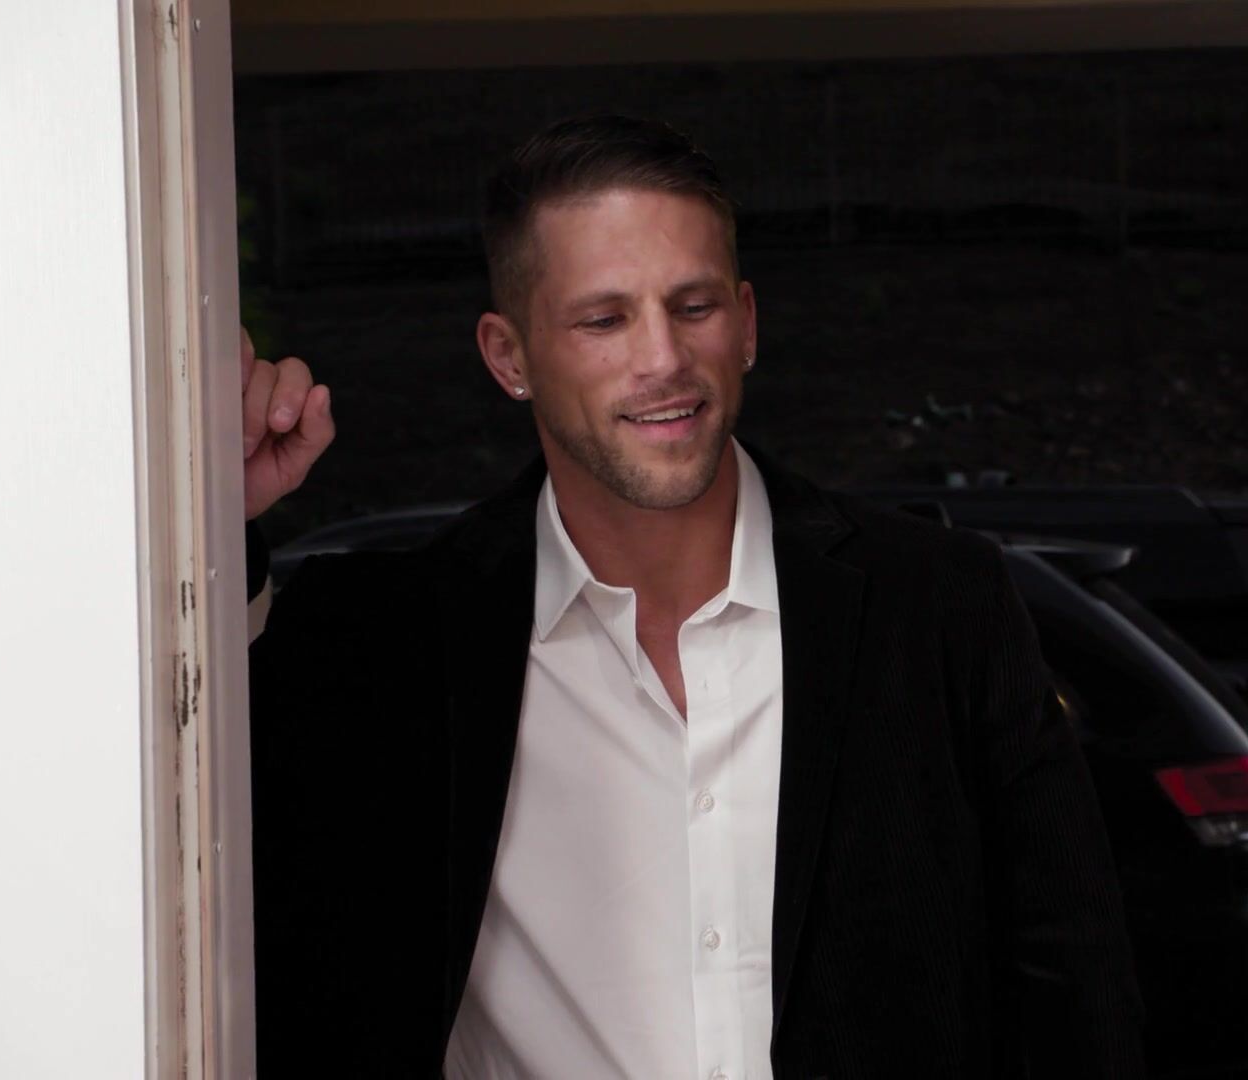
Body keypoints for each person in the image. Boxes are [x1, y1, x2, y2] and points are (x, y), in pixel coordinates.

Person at [241, 114, 1145, 1078]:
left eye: (693, 306)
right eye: (603, 319)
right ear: (509, 357)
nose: (663, 358)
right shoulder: (384, 642)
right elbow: (200, 835)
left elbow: (1074, 997)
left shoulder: (938, 604)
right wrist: (213, 513)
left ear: (745, 323)